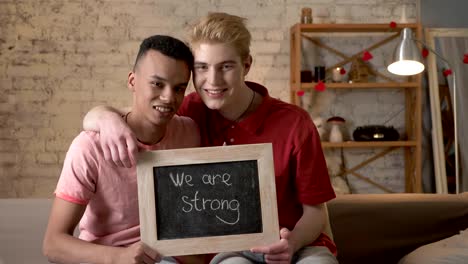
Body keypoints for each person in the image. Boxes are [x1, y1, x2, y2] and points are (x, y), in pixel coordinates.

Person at [83, 12, 337, 264]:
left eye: (226, 67)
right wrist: (105, 117)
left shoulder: (295, 122)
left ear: (246, 65)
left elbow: (315, 211)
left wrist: (292, 243)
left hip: (299, 245)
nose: (212, 81)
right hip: (231, 250)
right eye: (202, 68)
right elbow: (132, 118)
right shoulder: (187, 111)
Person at [42, 35, 201, 264]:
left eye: (179, 88)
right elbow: (52, 245)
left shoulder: (190, 133)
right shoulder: (88, 147)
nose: (168, 97)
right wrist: (119, 257)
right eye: (157, 83)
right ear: (132, 81)